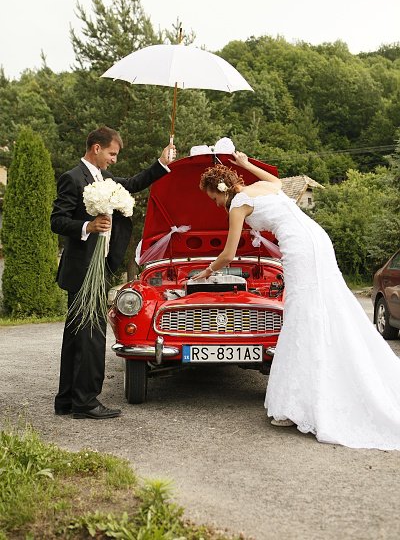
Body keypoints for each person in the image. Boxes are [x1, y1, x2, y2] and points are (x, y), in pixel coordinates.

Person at [193, 151, 400, 450]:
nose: (215, 204)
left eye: (213, 198)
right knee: (322, 307)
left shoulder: (237, 205)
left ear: (221, 190)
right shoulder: (259, 187)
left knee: (302, 314)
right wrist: (246, 164)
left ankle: (304, 403)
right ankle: (314, 392)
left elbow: (228, 254)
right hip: (317, 238)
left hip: (299, 246)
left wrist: (207, 271)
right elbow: (277, 182)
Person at [51, 126, 176, 420]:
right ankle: (86, 403)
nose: (114, 160)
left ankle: (67, 400)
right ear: (96, 148)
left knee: (77, 336)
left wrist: (162, 163)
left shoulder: (104, 179)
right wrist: (88, 226)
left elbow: (133, 183)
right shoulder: (72, 178)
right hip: (83, 271)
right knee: (91, 337)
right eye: (112, 153)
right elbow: (57, 221)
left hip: (98, 269)